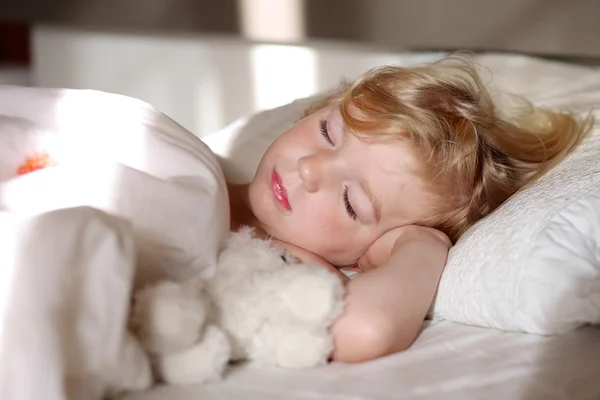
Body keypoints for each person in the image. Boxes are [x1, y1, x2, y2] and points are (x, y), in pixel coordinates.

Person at [226, 56, 593, 363]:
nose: (310, 168)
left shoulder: (288, 264)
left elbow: (366, 328)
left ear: (368, 253)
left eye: (351, 203)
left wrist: (421, 246)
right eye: (328, 132)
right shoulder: (202, 168)